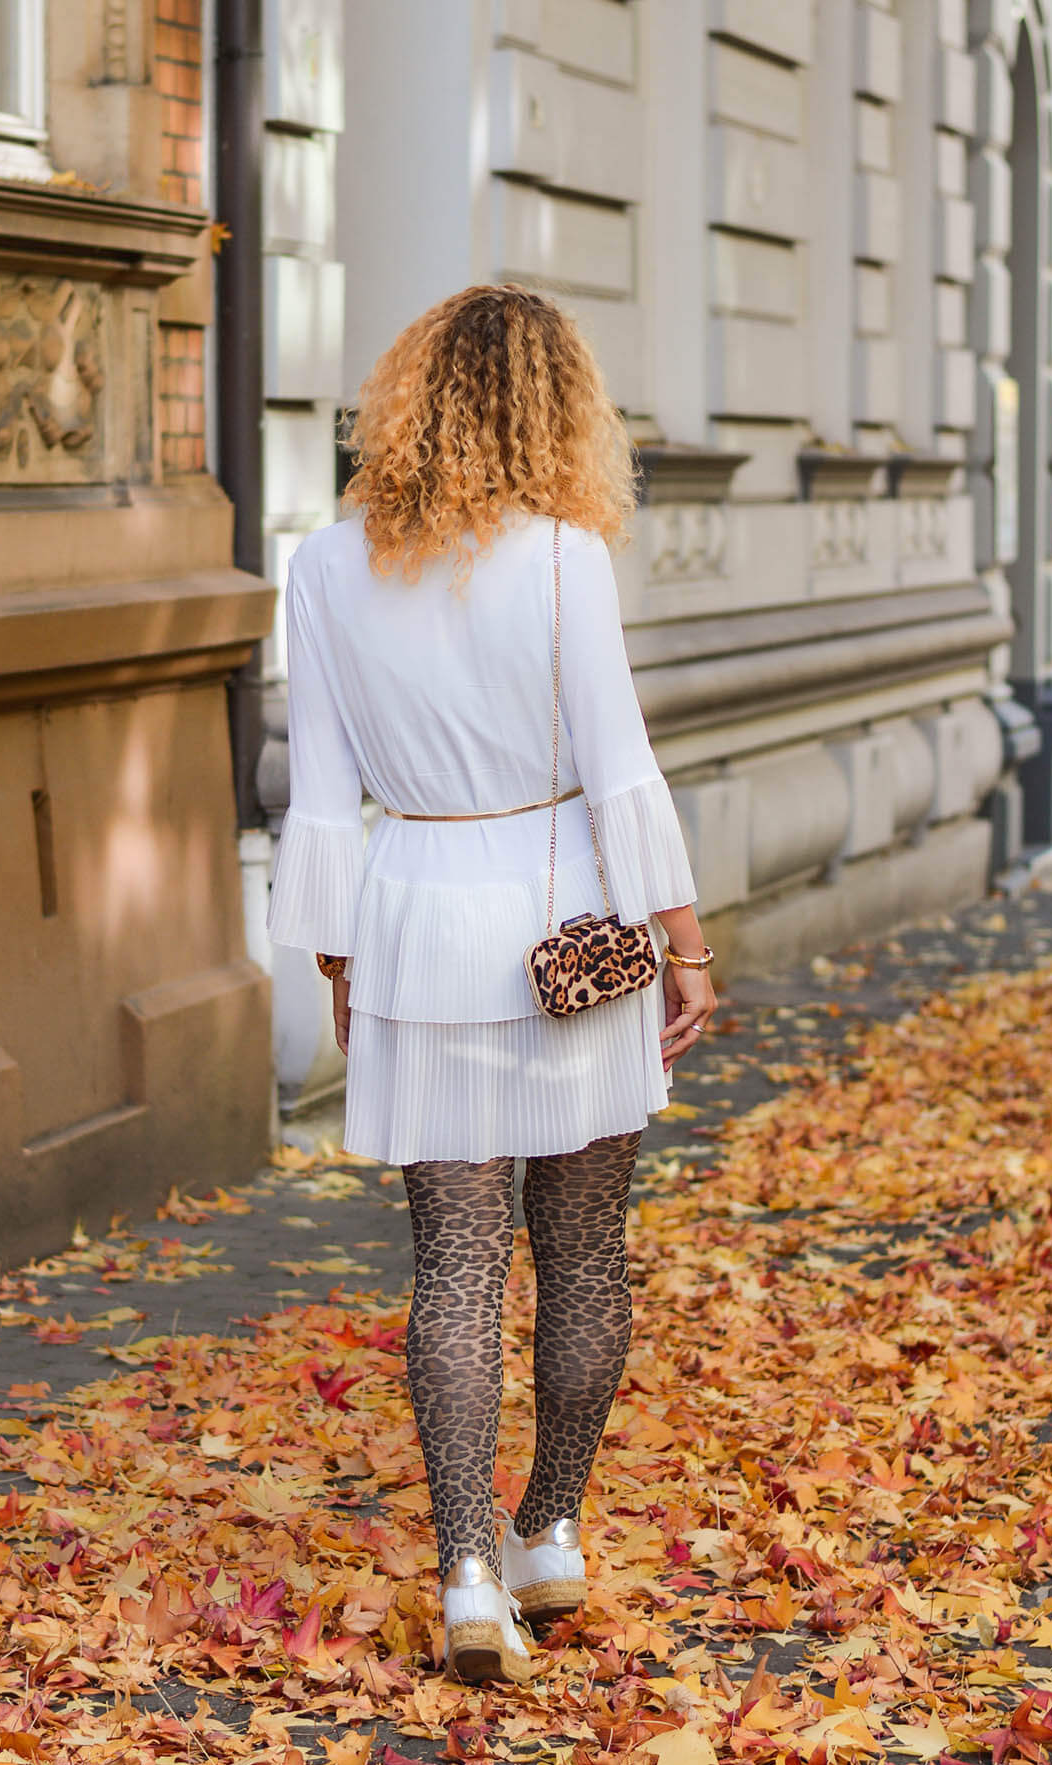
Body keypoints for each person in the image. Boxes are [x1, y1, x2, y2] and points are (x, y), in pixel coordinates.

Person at [267, 284, 717, 1684]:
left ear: (405, 402)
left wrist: (343, 961)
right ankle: (553, 1524)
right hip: (575, 929)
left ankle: (467, 1566)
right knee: (584, 1255)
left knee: (455, 1268)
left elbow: (322, 798)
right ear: (559, 408)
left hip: (419, 927)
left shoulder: (326, 569)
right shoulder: (568, 561)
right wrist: (686, 944)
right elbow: (622, 763)